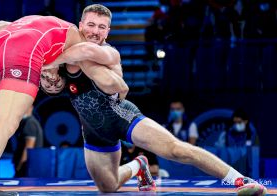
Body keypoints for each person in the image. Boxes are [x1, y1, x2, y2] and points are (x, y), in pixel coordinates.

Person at [41, 4, 267, 195]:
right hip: (92, 131)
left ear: (108, 32)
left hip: (122, 116)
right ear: (80, 26)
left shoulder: (109, 53)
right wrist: (49, 72)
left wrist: (49, 63)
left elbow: (86, 54)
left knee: (178, 150)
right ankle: (139, 164)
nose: (95, 31)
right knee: (107, 187)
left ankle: (241, 180)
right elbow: (53, 86)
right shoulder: (63, 57)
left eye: (101, 27)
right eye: (90, 25)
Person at [0, 14, 118, 196]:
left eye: (50, 85)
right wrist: (117, 87)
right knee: (6, 123)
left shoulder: (41, 28)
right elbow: (87, 52)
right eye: (55, 82)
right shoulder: (74, 41)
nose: (51, 81)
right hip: (21, 53)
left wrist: (21, 31)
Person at [12, 105, 43, 177]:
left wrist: (19, 167)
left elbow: (28, 148)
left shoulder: (30, 123)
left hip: (26, 168)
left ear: (31, 108)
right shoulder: (28, 122)